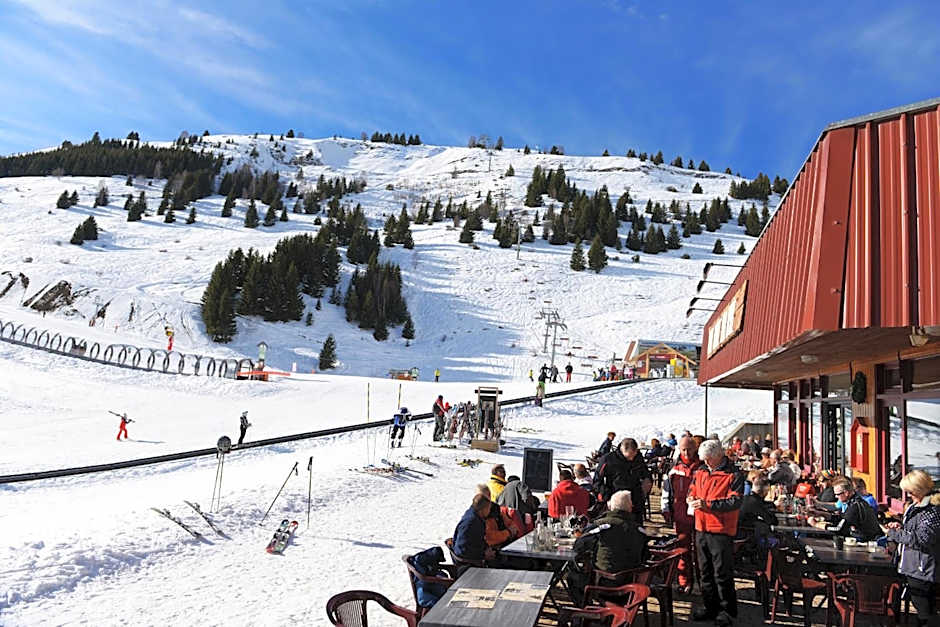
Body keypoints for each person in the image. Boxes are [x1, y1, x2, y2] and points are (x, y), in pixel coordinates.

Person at [687, 438, 744, 626]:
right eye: (703, 459)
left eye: (708, 459)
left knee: (722, 573)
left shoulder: (733, 474)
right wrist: (691, 499)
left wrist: (708, 505)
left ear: (719, 455)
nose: (705, 462)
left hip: (721, 529)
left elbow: (734, 502)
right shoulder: (701, 471)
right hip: (701, 527)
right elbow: (692, 489)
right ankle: (710, 607)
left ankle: (727, 611)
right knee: (704, 572)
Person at [567, 490, 648, 605]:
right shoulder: (640, 531)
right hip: (631, 584)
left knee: (573, 577)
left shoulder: (602, 526)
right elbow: (645, 556)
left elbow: (579, 545)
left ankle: (585, 610)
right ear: (630, 508)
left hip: (604, 582)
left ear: (610, 506)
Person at [885, 470, 940, 627]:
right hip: (912, 565)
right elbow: (915, 531)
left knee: (925, 611)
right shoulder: (917, 506)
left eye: (910, 492)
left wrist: (895, 534)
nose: (908, 495)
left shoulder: (932, 511)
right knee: (920, 607)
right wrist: (901, 527)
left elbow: (922, 538)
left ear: (919, 489)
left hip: (922, 567)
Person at [662, 435, 703, 590]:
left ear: (695, 449)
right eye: (683, 449)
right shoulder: (674, 469)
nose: (686, 453)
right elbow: (666, 491)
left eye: (689, 449)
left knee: (701, 551)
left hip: (700, 515)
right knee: (683, 550)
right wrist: (666, 509)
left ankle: (701, 583)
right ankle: (684, 582)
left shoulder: (702, 468)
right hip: (680, 516)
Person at [593, 438, 653, 525]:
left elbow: (645, 473)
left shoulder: (638, 458)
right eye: (629, 456)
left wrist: (647, 481)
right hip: (616, 498)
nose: (632, 458)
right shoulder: (608, 459)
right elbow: (597, 481)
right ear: (622, 450)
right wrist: (606, 496)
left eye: (634, 455)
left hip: (635, 498)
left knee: (636, 528)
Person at [810, 477, 882, 541]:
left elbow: (839, 529)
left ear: (846, 493)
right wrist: (821, 514)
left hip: (868, 542)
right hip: (862, 539)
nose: (835, 497)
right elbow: (842, 518)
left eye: (837, 494)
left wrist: (817, 524)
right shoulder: (853, 501)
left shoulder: (855, 506)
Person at [737, 476, 778, 562]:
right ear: (765, 492)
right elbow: (772, 520)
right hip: (745, 537)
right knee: (775, 540)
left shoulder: (745, 498)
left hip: (737, 532)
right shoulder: (755, 503)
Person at [453, 494, 494, 565]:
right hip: (468, 562)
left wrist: (487, 548)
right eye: (489, 508)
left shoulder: (477, 517)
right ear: (483, 509)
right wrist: (483, 554)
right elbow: (462, 549)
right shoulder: (470, 522)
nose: (489, 511)